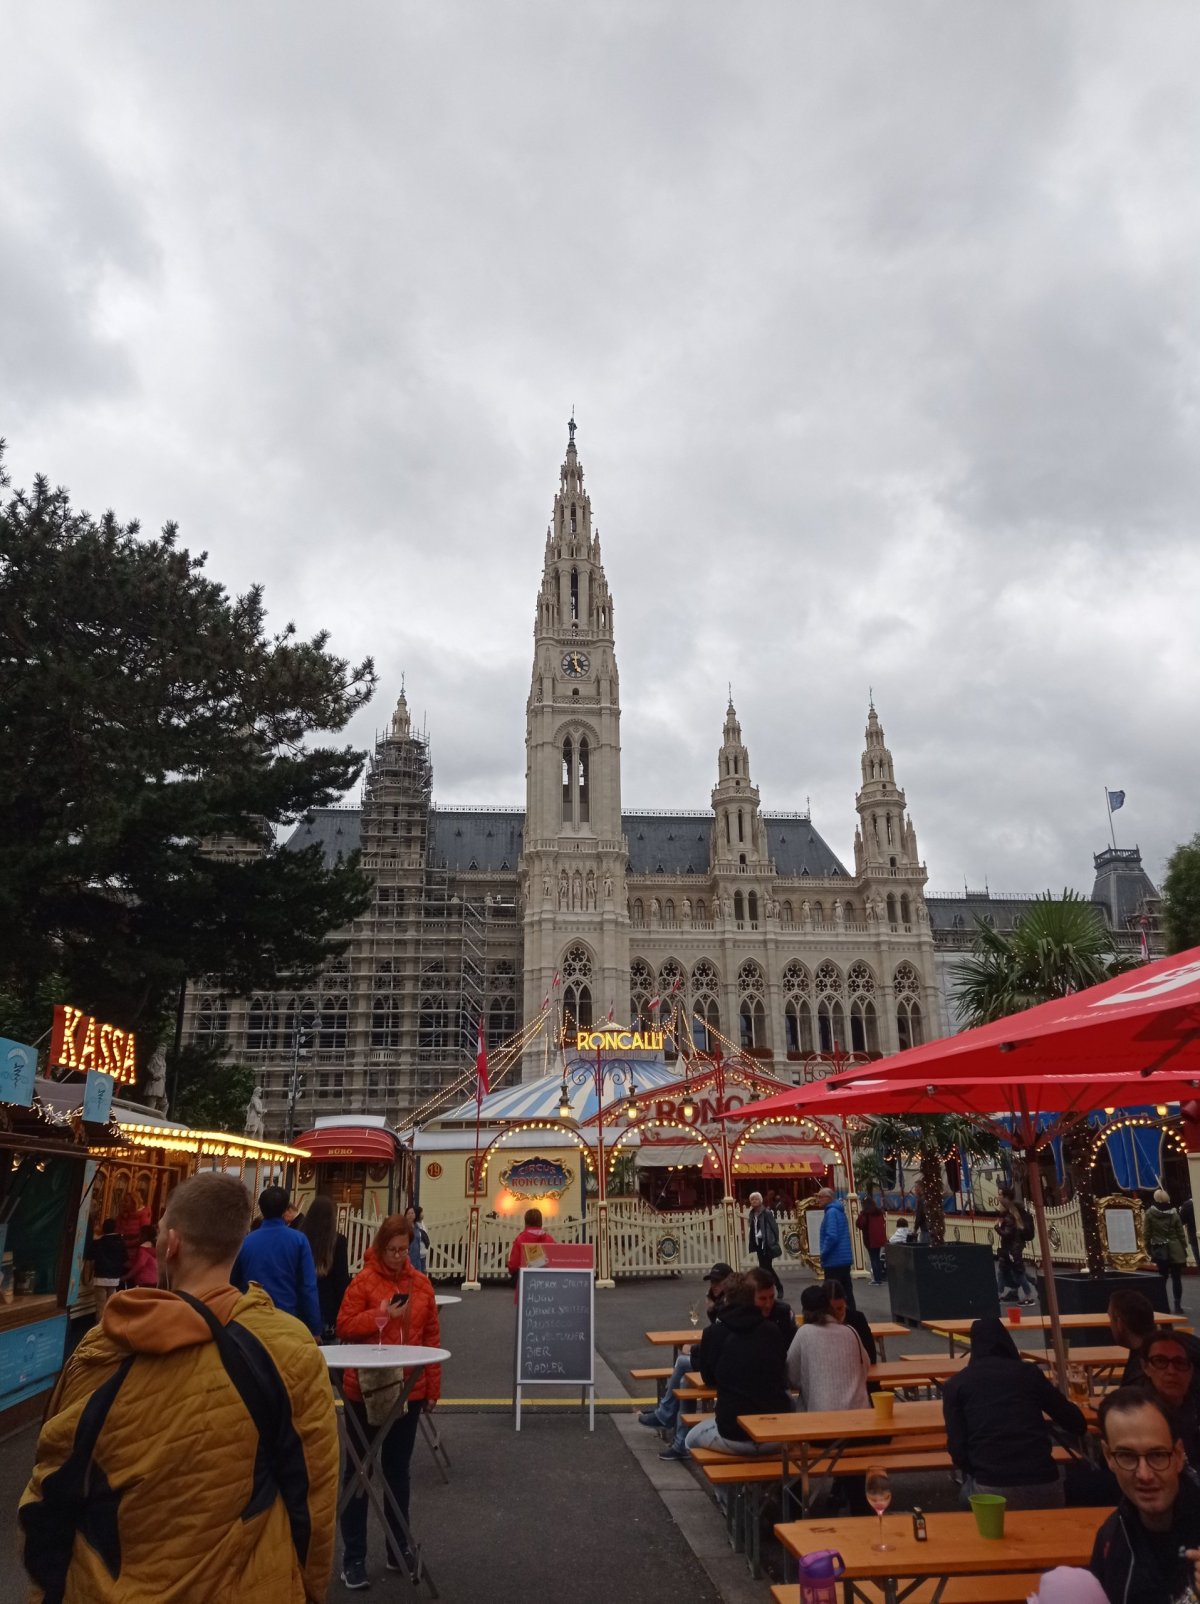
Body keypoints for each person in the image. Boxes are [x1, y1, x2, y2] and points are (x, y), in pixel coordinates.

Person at [18, 1172, 339, 1601]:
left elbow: (51, 1487)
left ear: (171, 1244)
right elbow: (313, 1500)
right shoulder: (288, 1348)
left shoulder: (104, 1345)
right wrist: (309, 1590)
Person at [335, 1213, 441, 1589]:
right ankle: (354, 1557)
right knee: (359, 1472)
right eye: (392, 1250)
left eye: (403, 1250)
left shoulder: (421, 1284)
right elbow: (344, 1325)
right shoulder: (363, 1282)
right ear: (380, 1247)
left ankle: (398, 1548)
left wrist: (432, 1387)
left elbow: (431, 1336)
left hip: (408, 1389)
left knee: (397, 1471)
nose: (398, 1256)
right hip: (365, 1389)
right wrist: (379, 1315)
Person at [941, 1315, 1086, 1510]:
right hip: (1046, 1486)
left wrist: (980, 1470)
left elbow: (957, 1449)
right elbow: (1075, 1423)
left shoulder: (957, 1384)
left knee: (964, 1498)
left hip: (990, 1489)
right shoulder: (1029, 1374)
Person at [1090, 1387, 1200, 1603]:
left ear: (1179, 1455)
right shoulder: (1111, 1539)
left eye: (1157, 1454)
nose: (1144, 1474)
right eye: (1127, 1456)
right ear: (1109, 1457)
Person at [684, 1272, 792, 1458]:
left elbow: (708, 1378)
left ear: (727, 1299)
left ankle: (717, 1482)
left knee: (688, 1441)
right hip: (775, 1433)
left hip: (734, 1433)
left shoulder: (715, 1332)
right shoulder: (772, 1330)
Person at [639, 1263, 734, 1462]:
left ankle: (665, 1415)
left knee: (682, 1362)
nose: (714, 1285)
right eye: (712, 1282)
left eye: (718, 1282)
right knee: (685, 1380)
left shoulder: (729, 1306)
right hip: (721, 1361)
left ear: (729, 1282)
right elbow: (716, 1337)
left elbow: (718, 1338)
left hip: (723, 1366)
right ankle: (680, 1440)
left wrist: (695, 1348)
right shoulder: (722, 1304)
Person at [231, 1185, 322, 1337]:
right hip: (287, 1320)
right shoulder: (298, 1240)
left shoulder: (246, 1242)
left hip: (251, 1322)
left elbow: (234, 1282)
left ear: (261, 1208)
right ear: (285, 1209)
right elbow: (307, 1287)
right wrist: (314, 1327)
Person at [787, 1281, 870, 1411]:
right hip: (859, 1411)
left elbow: (791, 1376)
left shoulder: (804, 1333)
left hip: (823, 1414)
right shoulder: (851, 1331)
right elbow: (865, 1366)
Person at [1140, 1330, 1200, 1471]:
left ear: (1192, 1370)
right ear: (1145, 1367)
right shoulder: (1136, 1416)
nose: (1171, 1371)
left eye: (1180, 1362)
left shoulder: (1193, 1408)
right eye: (1160, 1361)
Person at [300, 1195, 351, 1342]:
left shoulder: (300, 1238)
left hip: (303, 1306)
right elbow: (341, 1280)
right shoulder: (338, 1241)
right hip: (329, 1306)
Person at [1146, 1188, 1188, 1315]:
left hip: (1160, 1248)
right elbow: (1180, 1233)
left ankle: (1162, 1305)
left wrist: (1148, 1248)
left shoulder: (1150, 1214)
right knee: (1176, 1278)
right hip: (1175, 1247)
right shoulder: (1174, 1213)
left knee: (1162, 1278)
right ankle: (1178, 1305)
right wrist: (1183, 1246)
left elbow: (1146, 1233)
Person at [995, 1185, 1038, 1305]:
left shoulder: (1011, 1212)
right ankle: (1003, 1293)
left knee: (1016, 1271)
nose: (998, 1197)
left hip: (1013, 1247)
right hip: (1012, 1246)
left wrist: (997, 1227)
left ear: (1006, 1197)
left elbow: (1008, 1232)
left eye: (1000, 1194)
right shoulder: (1009, 1209)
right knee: (1010, 1270)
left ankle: (1027, 1294)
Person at [815, 1186, 856, 1311]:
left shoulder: (831, 1212)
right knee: (846, 1291)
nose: (818, 1200)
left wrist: (823, 1253)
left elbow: (832, 1236)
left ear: (828, 1198)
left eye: (820, 1197)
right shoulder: (838, 1211)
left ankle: (833, 1315)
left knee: (831, 1292)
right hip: (843, 1258)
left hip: (834, 1259)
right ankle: (851, 1315)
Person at [1109, 1288, 1159, 1387]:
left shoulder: (1141, 1372)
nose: (1110, 1325)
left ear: (1120, 1324)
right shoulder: (1156, 1351)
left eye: (1110, 1320)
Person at [827, 1278, 877, 1367]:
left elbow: (871, 1355)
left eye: (840, 1308)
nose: (837, 1314)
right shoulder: (819, 1323)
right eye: (831, 1310)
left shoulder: (857, 1318)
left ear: (845, 1302)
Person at [86, 1215, 125, 1316]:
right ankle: (109, 1323)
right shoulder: (120, 1243)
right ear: (115, 1228)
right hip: (114, 1278)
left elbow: (89, 1256)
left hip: (100, 1277)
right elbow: (124, 1258)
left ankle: (101, 1324)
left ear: (103, 1229)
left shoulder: (98, 1242)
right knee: (111, 1306)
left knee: (100, 1306)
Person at [747, 1190, 784, 1295]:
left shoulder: (766, 1213)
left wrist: (773, 1240)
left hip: (767, 1243)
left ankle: (777, 1287)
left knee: (766, 1267)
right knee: (764, 1268)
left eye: (756, 1199)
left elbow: (774, 1227)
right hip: (758, 1243)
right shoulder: (752, 1214)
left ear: (760, 1201)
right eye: (752, 1199)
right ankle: (766, 1288)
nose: (754, 1201)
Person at [747, 1265, 797, 1342]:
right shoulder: (739, 1318)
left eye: (771, 1297)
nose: (768, 1304)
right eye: (763, 1299)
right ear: (749, 1297)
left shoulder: (784, 1313)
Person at [506, 1206, 556, 1277]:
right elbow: (555, 1262)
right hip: (546, 1278)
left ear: (526, 1222)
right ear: (540, 1222)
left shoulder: (520, 1239)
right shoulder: (550, 1239)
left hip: (525, 1277)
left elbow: (514, 1265)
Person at [856, 1195, 887, 1284]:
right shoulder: (879, 1212)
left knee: (873, 1258)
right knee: (877, 1257)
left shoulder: (865, 1213)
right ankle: (879, 1278)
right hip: (878, 1238)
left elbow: (860, 1224)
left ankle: (876, 1279)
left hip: (869, 1238)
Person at [127, 1222, 160, 1287]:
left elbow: (139, 1265)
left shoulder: (143, 1249)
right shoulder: (156, 1248)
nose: (138, 1237)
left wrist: (126, 1277)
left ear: (144, 1236)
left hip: (144, 1281)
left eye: (140, 1234)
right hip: (156, 1280)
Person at [405, 1204, 431, 1274]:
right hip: (408, 1258)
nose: (410, 1215)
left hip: (418, 1258)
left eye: (412, 1213)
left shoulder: (417, 1226)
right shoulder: (404, 1227)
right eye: (408, 1213)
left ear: (415, 1215)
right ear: (405, 1215)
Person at [1182, 1195, 1199, 1271]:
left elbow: (1182, 1220)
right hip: (1194, 1236)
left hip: (1193, 1236)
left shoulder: (1187, 1205)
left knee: (1198, 1258)